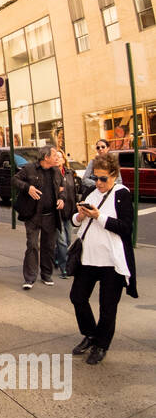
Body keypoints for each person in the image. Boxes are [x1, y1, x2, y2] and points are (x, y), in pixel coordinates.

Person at [69, 150, 138, 364]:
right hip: (88, 258)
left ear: (114, 175)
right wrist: (79, 216)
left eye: (103, 178)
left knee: (107, 307)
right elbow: (75, 221)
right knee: (77, 297)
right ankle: (90, 334)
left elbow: (126, 228)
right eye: (96, 177)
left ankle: (101, 344)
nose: (98, 182)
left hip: (112, 262)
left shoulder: (122, 194)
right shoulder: (90, 191)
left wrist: (99, 217)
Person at [13, 146, 64, 290]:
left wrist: (62, 199)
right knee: (32, 245)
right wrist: (27, 187)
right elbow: (15, 180)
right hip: (33, 215)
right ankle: (29, 278)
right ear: (46, 157)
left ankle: (46, 274)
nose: (57, 158)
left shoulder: (56, 171)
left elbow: (62, 188)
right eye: (54, 155)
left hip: (51, 216)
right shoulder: (29, 169)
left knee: (48, 246)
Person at [53, 149, 79, 279]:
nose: (57, 158)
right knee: (62, 241)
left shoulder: (70, 173)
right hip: (56, 213)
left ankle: (56, 256)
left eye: (59, 157)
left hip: (69, 211)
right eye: (55, 157)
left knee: (68, 239)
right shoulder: (50, 174)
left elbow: (73, 192)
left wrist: (76, 207)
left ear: (64, 159)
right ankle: (65, 267)